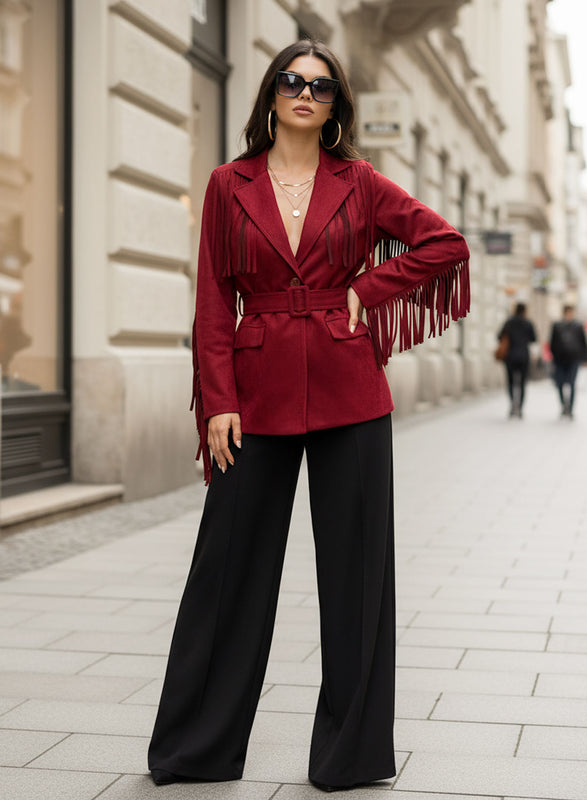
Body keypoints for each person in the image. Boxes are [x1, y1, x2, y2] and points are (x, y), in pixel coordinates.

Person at [148, 39, 470, 792]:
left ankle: (350, 759)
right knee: (226, 573)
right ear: (269, 96)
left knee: (358, 579)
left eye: (321, 87)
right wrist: (217, 402)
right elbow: (209, 303)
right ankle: (197, 750)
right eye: (292, 81)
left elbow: (443, 242)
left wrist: (372, 288)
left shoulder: (358, 182)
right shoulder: (230, 185)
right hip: (252, 397)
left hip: (349, 393)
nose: (305, 93)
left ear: (334, 108)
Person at [497, 302, 537, 418]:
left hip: (510, 356)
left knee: (510, 382)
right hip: (524, 357)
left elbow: (499, 336)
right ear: (525, 310)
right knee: (522, 383)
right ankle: (520, 408)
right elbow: (533, 339)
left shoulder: (509, 322)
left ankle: (512, 405)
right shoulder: (528, 323)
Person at [549, 305, 586, 419]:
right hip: (560, 359)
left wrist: (584, 358)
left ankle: (570, 408)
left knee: (572, 384)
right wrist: (554, 357)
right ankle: (563, 406)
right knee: (560, 383)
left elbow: (583, 343)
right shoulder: (557, 325)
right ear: (564, 313)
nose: (570, 315)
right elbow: (552, 342)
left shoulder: (578, 326)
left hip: (574, 359)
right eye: (569, 312)